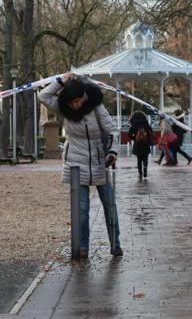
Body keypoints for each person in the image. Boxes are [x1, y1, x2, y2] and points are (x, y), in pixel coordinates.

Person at [39, 72, 123, 258]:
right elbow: (43, 96)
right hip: (76, 162)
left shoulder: (96, 107)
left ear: (84, 96)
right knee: (82, 209)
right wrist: (61, 81)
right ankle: (82, 247)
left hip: (100, 161)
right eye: (71, 103)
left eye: (77, 101)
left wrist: (112, 152)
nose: (75, 106)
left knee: (109, 205)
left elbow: (112, 131)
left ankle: (115, 244)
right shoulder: (64, 108)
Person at [127, 111, 155, 180]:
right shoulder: (146, 123)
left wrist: (135, 139)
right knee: (145, 158)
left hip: (138, 144)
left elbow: (129, 135)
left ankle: (140, 174)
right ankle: (145, 167)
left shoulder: (134, 124)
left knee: (139, 160)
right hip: (146, 143)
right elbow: (151, 131)